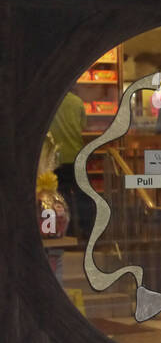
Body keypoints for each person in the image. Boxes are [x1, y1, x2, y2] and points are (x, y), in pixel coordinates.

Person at [50, 90, 92, 239]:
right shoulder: (77, 101)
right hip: (77, 155)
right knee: (83, 196)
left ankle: (66, 232)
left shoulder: (49, 101)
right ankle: (87, 232)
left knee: (60, 197)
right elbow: (82, 126)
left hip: (55, 159)